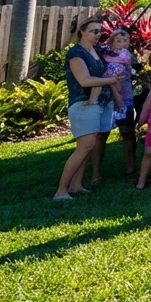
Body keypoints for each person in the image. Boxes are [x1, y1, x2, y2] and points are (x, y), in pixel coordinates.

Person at [53, 18, 122, 199]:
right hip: (84, 103)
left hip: (100, 102)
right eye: (93, 31)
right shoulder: (76, 53)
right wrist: (112, 80)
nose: (97, 34)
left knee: (88, 146)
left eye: (99, 31)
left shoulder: (95, 51)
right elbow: (85, 80)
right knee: (84, 147)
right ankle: (61, 191)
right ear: (82, 32)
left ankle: (76, 185)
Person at [88, 29, 137, 182]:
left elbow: (123, 63)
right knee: (101, 134)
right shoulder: (101, 54)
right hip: (105, 99)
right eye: (118, 41)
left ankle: (131, 165)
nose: (122, 44)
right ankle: (96, 172)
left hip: (125, 98)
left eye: (125, 41)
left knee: (127, 132)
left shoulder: (126, 56)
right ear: (111, 42)